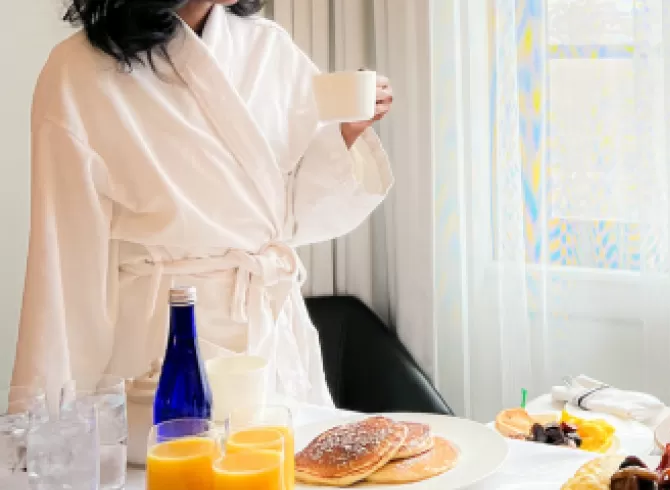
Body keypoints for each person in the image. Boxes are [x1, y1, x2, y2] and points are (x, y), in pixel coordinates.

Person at [12, 0, 394, 407]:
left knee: (281, 445)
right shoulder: (79, 72)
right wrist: (48, 418)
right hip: (165, 343)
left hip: (270, 335)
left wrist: (345, 134)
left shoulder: (269, 47)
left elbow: (294, 212)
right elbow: (64, 261)